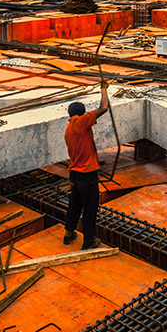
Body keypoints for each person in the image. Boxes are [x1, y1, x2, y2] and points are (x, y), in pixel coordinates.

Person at [63, 82, 110, 250]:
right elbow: (103, 108)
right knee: (90, 209)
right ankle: (88, 241)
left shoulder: (69, 128)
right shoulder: (80, 123)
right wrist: (103, 90)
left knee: (74, 204)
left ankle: (69, 233)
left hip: (75, 174)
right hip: (86, 175)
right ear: (82, 114)